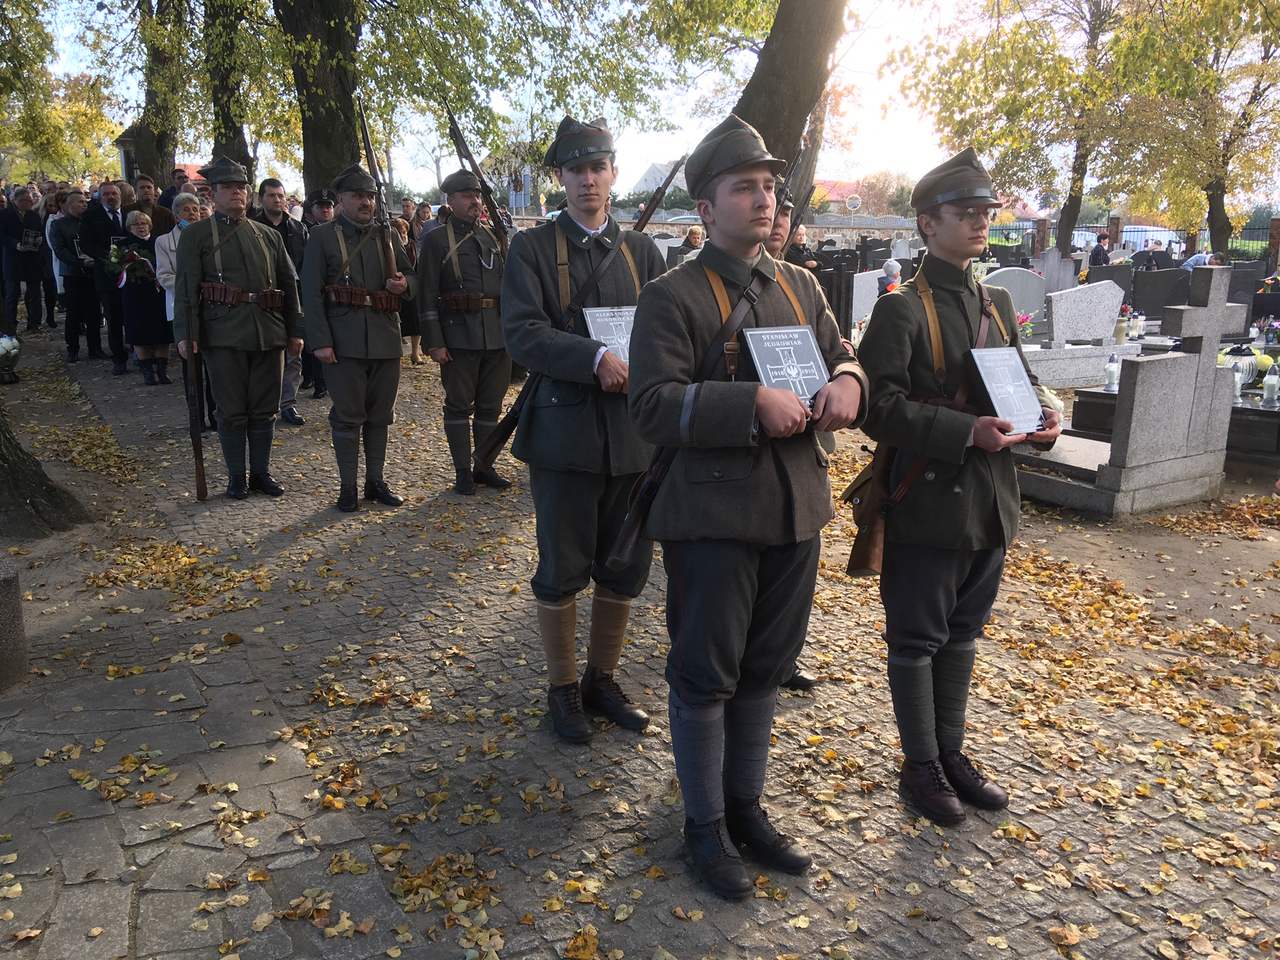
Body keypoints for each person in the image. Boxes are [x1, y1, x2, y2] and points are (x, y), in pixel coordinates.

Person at [628, 115, 867, 899]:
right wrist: (747, 403)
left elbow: (844, 354)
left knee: (765, 669)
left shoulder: (800, 284)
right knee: (705, 676)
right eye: (744, 187)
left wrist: (846, 386)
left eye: (769, 186)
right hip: (713, 519)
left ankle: (746, 809)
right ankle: (702, 828)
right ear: (705, 207)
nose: (763, 199)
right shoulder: (672, 296)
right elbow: (653, 407)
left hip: (797, 510)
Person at [857, 148, 1062, 828]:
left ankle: (951, 752)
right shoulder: (899, 310)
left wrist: (1044, 418)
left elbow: (1020, 380)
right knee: (916, 638)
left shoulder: (995, 301)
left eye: (985, 212)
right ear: (926, 223)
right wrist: (962, 431)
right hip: (927, 499)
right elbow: (876, 410)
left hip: (991, 503)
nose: (979, 222)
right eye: (964, 213)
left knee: (964, 633)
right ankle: (920, 764)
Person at [501, 116, 665, 744]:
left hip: (633, 438)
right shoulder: (533, 249)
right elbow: (523, 332)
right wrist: (594, 358)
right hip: (565, 438)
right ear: (560, 178)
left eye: (598, 168)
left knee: (625, 566)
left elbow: (666, 333)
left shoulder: (643, 252)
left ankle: (602, 678)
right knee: (563, 565)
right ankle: (563, 687)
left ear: (614, 174)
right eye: (576, 170)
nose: (588, 180)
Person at [173, 156, 302, 500]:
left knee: (265, 408)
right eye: (229, 187)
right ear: (212, 194)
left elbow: (289, 285)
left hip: (268, 331)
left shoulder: (268, 235)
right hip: (223, 334)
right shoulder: (197, 235)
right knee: (230, 410)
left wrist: (295, 330)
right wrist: (187, 334)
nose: (237, 193)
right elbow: (187, 289)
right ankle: (236, 477)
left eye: (241, 187)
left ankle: (260, 473)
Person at [301, 164, 414, 512]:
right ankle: (347, 487)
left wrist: (404, 285)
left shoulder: (387, 234)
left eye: (369, 196)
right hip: (344, 339)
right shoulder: (322, 236)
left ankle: (375, 482)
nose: (365, 202)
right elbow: (311, 291)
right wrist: (320, 340)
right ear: (341, 200)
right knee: (348, 417)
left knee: (381, 415)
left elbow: (412, 276)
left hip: (384, 336)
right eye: (357, 196)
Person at [418, 169, 511, 494]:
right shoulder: (435, 239)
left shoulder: (492, 236)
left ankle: (484, 466)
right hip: (458, 336)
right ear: (451, 200)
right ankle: (462, 471)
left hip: (496, 335)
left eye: (478, 196)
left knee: (491, 405)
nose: (475, 201)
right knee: (458, 405)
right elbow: (426, 294)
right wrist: (434, 341)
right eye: (467, 196)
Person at [252, 177, 310, 426]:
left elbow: (306, 264)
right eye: (272, 195)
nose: (277, 200)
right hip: (262, 299)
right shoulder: (251, 226)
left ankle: (288, 403)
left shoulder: (298, 229)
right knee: (264, 354)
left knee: (294, 351)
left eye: (280, 195)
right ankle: (265, 403)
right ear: (261, 198)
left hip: (293, 297)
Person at [158, 192, 216, 429]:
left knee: (212, 365)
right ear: (176, 215)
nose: (192, 214)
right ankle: (196, 416)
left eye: (195, 209)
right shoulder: (165, 242)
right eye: (186, 210)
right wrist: (191, 289)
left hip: (210, 307)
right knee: (190, 365)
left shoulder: (210, 237)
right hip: (182, 306)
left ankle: (215, 414)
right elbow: (164, 275)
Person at [116, 211, 173, 385]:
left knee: (162, 332)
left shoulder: (159, 242)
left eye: (144, 223)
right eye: (136, 224)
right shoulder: (123, 245)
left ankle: (162, 370)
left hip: (158, 292)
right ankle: (147, 371)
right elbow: (116, 267)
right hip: (136, 294)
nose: (141, 227)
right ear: (129, 227)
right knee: (140, 332)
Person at [80, 180, 130, 373]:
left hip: (131, 272)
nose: (111, 197)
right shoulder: (91, 216)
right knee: (114, 318)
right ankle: (118, 358)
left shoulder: (128, 214)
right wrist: (106, 257)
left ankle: (138, 352)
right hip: (106, 276)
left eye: (114, 194)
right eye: (106, 194)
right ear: (100, 197)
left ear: (120, 196)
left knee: (132, 315)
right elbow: (86, 244)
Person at [49, 190, 104, 361]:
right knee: (73, 313)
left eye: (85, 202)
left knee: (94, 312)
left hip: (92, 273)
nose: (84, 204)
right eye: (79, 202)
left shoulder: (91, 223)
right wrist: (78, 262)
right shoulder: (59, 225)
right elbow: (60, 250)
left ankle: (95, 348)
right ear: (69, 205)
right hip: (73, 274)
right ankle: (72, 348)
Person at [0, 186, 47, 334]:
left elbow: (40, 231)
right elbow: (2, 236)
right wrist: (15, 244)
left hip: (32, 258)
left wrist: (39, 239)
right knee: (12, 293)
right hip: (13, 257)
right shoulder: (4, 214)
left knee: (34, 293)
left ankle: (34, 323)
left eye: (29, 200)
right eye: (23, 200)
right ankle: (10, 325)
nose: (27, 203)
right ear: (15, 200)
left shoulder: (33, 215)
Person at [39, 190, 63, 327]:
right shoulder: (42, 219)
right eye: (50, 205)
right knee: (49, 288)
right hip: (46, 257)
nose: (53, 208)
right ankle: (50, 316)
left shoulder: (59, 218)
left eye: (55, 206)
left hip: (55, 256)